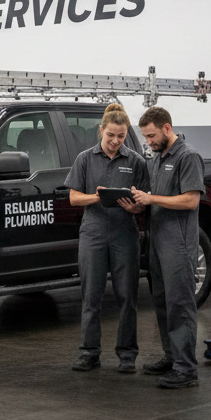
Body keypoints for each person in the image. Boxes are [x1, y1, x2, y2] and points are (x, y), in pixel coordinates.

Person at [65, 103, 149, 373]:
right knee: (91, 296)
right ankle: (89, 352)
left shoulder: (135, 161)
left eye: (121, 136)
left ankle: (127, 355)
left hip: (125, 233)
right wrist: (98, 197)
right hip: (94, 232)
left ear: (126, 134)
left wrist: (135, 207)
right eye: (110, 135)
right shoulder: (85, 159)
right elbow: (74, 197)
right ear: (101, 130)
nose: (115, 141)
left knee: (127, 296)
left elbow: (144, 202)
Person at [131, 107, 206, 389]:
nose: (148, 142)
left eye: (150, 136)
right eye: (145, 138)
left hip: (179, 244)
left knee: (180, 305)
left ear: (166, 128)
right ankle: (171, 356)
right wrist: (137, 202)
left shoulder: (188, 157)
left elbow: (190, 201)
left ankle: (186, 369)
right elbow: (154, 199)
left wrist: (152, 199)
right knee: (162, 302)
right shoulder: (156, 160)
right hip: (158, 243)